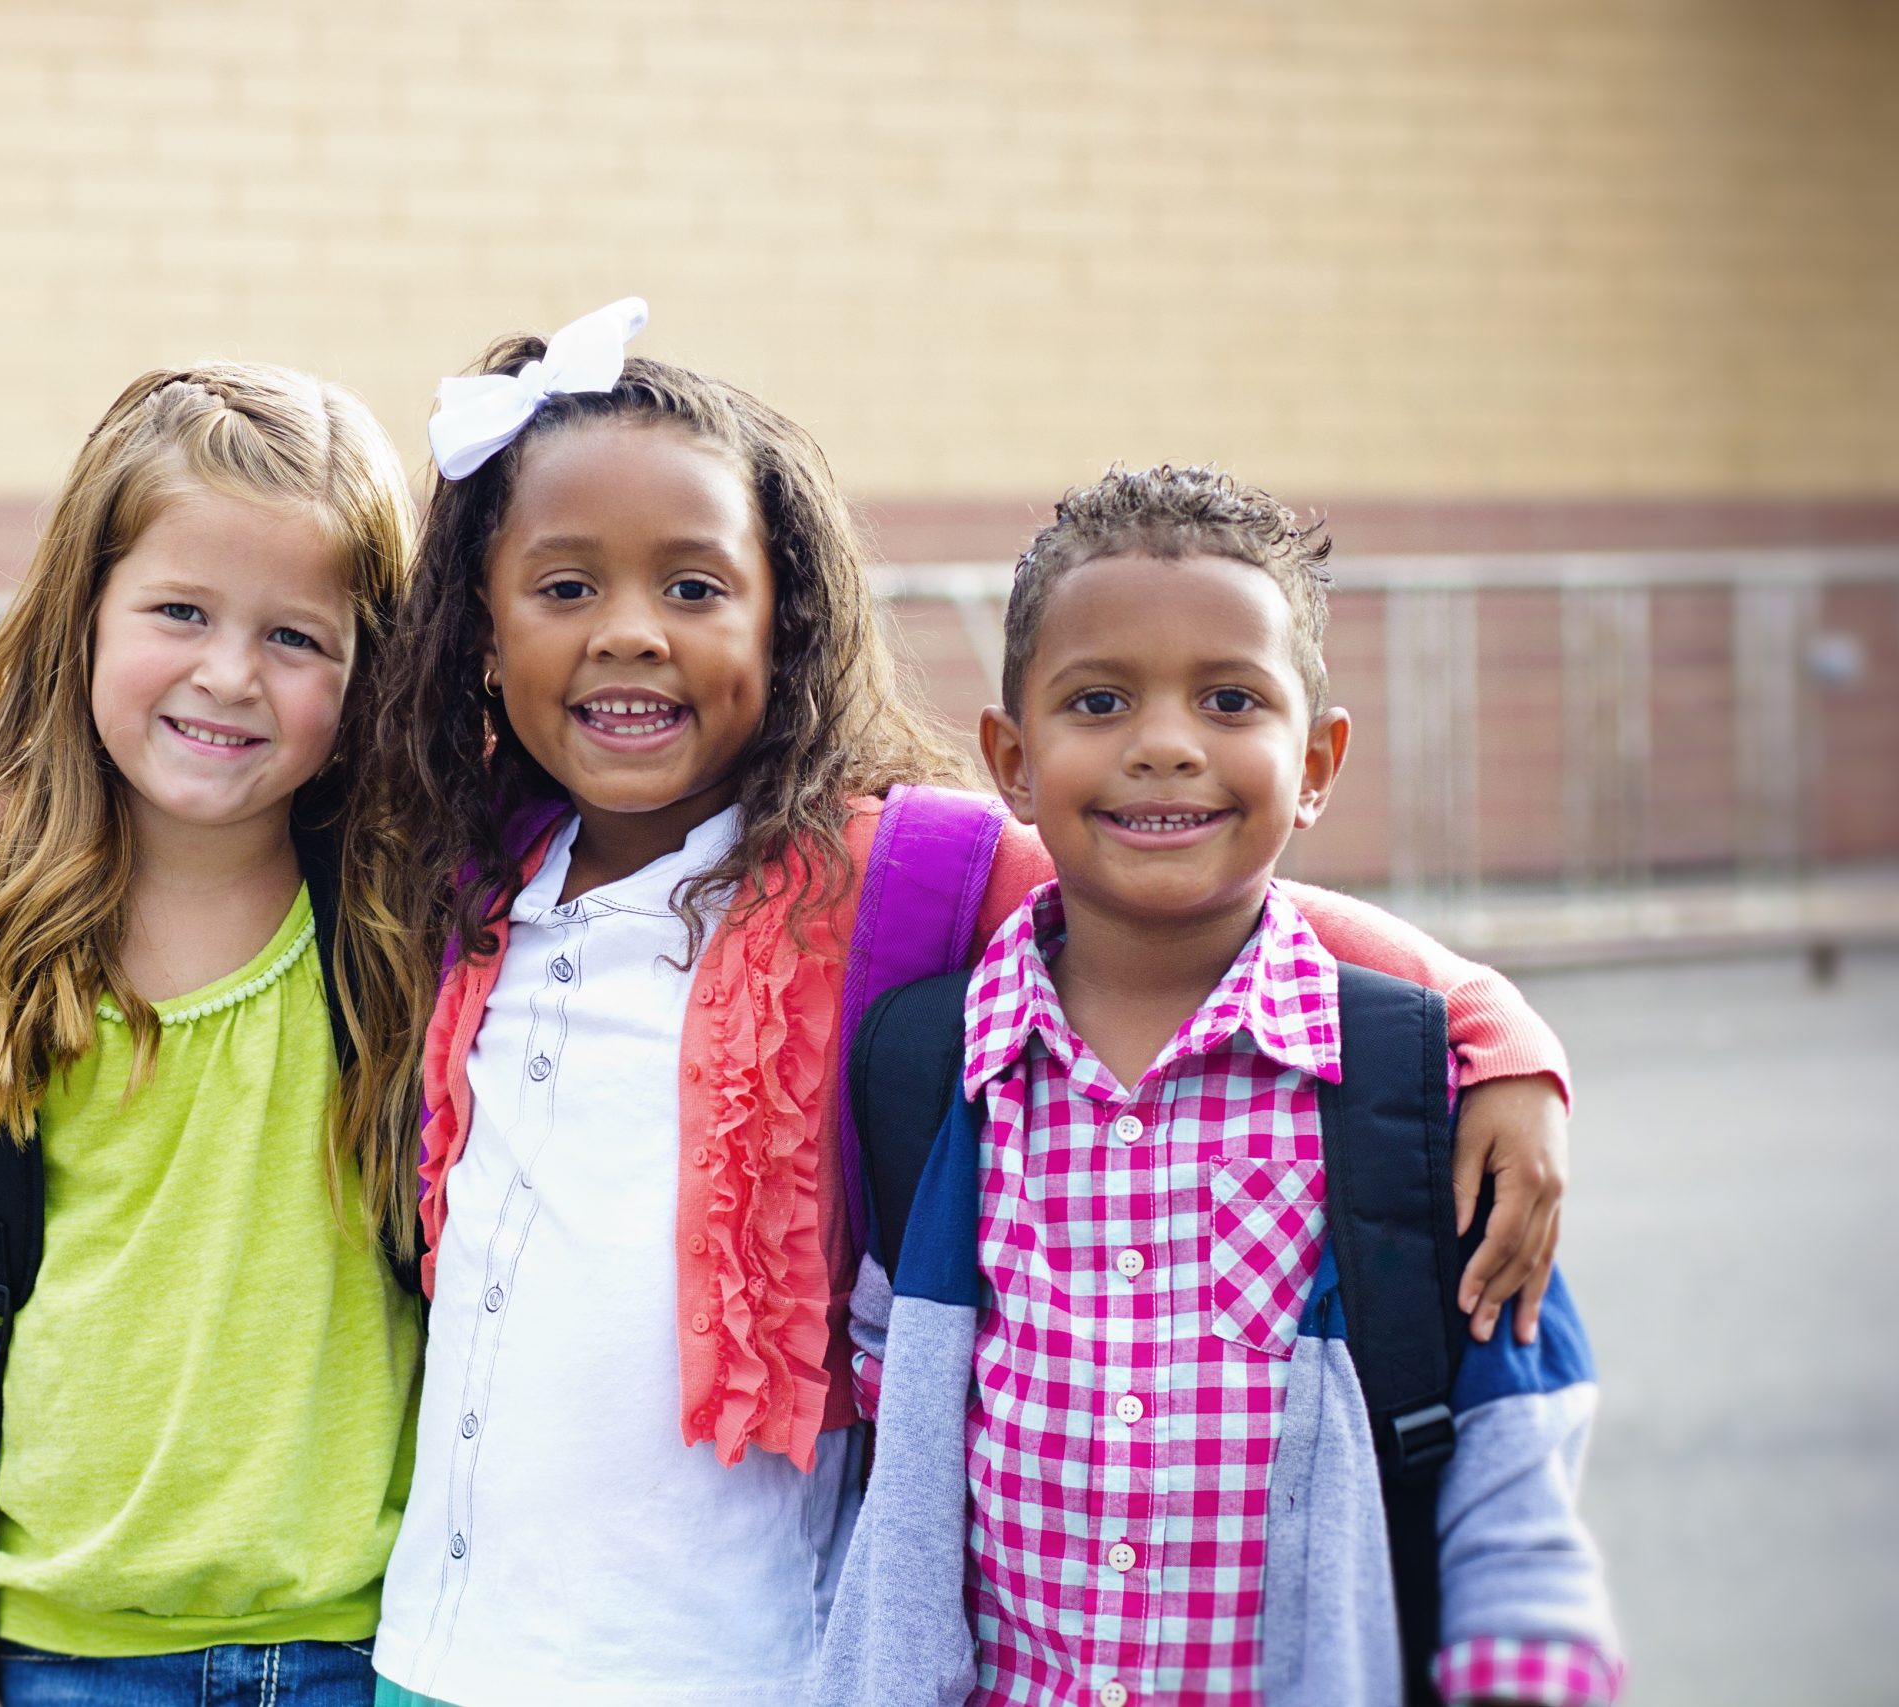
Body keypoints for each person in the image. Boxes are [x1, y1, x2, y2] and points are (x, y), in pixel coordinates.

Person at [343, 302, 1579, 1707]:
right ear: (482, 637)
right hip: (439, 1654)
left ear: (785, 618)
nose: (631, 633)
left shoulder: (894, 866)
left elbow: (1210, 903)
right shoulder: (455, 880)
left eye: (694, 589)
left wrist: (1497, 1031)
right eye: (567, 590)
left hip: (742, 1661)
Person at [820, 466, 1622, 1705]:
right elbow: (890, 1430)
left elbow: (1516, 1477)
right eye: (1098, 700)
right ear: (1011, 763)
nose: (1164, 745)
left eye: (1229, 698)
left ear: (1315, 761)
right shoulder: (929, 1078)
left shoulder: (1409, 1089)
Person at [0, 363, 422, 1707]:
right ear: (83, 615)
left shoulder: (410, 924)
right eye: (181, 611)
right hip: (58, 1652)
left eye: (297, 637)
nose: (228, 673)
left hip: (373, 1644)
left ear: (372, 670)